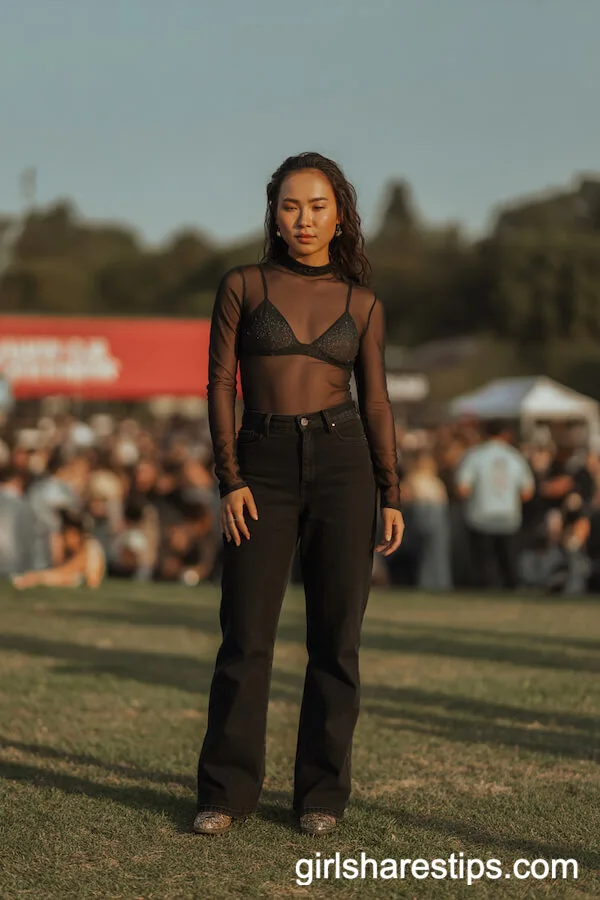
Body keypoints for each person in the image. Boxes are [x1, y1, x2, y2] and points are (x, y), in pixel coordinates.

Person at [194, 152, 404, 837]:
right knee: (245, 635)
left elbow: (375, 401)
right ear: (274, 214)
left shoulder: (363, 304)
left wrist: (390, 491)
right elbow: (220, 385)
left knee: (336, 638)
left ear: (339, 213)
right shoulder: (243, 285)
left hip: (344, 464)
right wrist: (230, 479)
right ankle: (226, 792)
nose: (304, 219)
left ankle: (321, 796)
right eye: (290, 205)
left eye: (317, 206)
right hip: (261, 465)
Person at [455, 419, 534, 589]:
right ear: (506, 434)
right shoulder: (515, 456)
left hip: (480, 516)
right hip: (509, 517)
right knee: (509, 564)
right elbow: (527, 492)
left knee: (483, 566)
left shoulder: (474, 455)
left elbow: (462, 489)